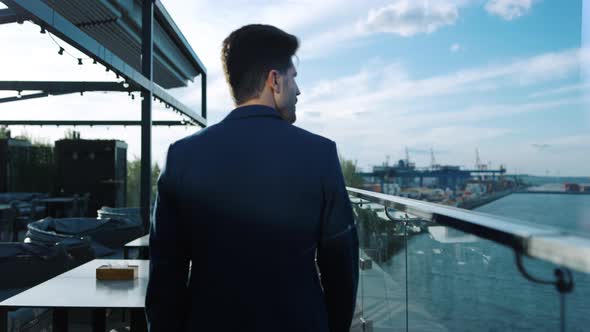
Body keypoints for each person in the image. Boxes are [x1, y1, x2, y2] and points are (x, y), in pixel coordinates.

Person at [145, 24, 359, 332]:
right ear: (274, 80)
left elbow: (166, 278)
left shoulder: (182, 156)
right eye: (293, 78)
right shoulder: (320, 154)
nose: (298, 91)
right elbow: (342, 271)